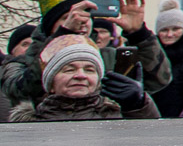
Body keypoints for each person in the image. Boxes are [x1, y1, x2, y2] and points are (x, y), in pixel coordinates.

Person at [3, 0, 170, 113]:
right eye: (68, 17)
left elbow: (158, 80)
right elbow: (21, 90)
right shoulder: (21, 62)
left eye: (86, 16)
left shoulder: (108, 57)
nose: (81, 21)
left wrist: (139, 35)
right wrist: (64, 36)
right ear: (51, 26)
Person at [9, 34, 159, 122]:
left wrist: (138, 106)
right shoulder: (27, 123)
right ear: (51, 83)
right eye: (69, 69)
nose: (81, 75)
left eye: (89, 70)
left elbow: (153, 145)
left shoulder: (117, 117)